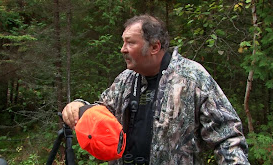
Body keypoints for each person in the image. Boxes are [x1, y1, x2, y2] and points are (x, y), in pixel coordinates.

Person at [62, 14, 250, 165]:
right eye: (123, 42)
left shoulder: (191, 78)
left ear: (154, 47)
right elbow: (103, 113)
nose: (122, 49)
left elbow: (227, 136)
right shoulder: (125, 79)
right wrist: (80, 106)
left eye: (130, 43)